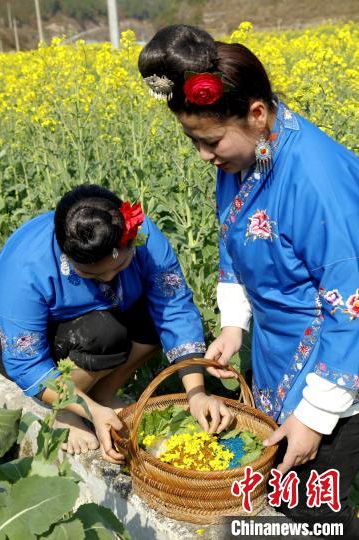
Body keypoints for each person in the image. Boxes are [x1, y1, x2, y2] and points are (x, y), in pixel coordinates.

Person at [138, 25, 359, 535]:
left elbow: (351, 307)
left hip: (335, 372)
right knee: (276, 504)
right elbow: (234, 241)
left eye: (210, 141)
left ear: (256, 114)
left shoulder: (318, 181)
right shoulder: (243, 156)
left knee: (315, 514)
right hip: (277, 359)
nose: (204, 156)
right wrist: (234, 325)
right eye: (193, 141)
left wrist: (315, 416)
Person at [0, 184, 233, 463]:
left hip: (106, 318)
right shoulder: (26, 268)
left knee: (152, 316)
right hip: (36, 343)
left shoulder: (143, 235)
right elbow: (26, 362)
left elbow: (174, 308)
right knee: (103, 333)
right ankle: (65, 410)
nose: (110, 278)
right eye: (92, 275)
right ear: (67, 257)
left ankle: (104, 394)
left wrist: (196, 393)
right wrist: (88, 410)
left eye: (121, 267)